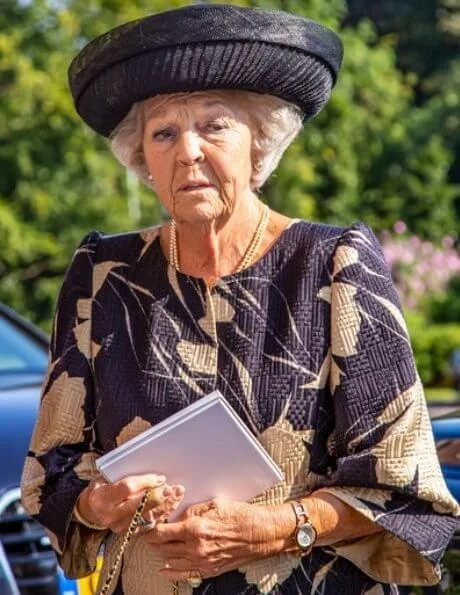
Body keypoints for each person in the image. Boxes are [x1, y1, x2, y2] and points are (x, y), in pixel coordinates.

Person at [21, 4, 460, 595]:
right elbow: (51, 473)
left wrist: (275, 527)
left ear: (260, 145)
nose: (188, 151)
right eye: (164, 133)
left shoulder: (334, 264)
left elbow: (403, 486)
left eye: (215, 125)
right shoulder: (103, 272)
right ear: (142, 160)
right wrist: (99, 504)